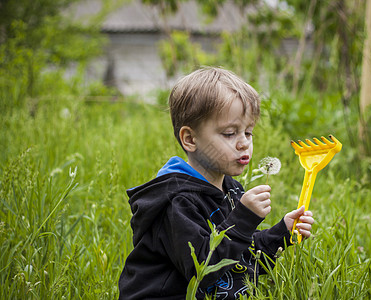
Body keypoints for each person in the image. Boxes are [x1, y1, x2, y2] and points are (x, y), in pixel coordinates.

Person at [118, 67, 315, 299]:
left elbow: (240, 254)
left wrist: (281, 232)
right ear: (190, 139)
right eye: (230, 133)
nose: (243, 143)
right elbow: (201, 270)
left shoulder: (230, 189)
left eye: (248, 133)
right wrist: (243, 219)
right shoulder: (177, 202)